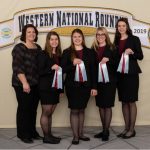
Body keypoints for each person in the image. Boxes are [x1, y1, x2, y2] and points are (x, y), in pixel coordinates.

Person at [61, 28, 97, 145]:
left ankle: (81, 134)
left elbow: (93, 71)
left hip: (85, 87)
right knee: (74, 110)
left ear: (83, 38)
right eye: (75, 37)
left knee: (82, 109)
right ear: (72, 38)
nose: (77, 39)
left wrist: (94, 87)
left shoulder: (90, 52)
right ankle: (75, 136)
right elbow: (62, 69)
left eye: (79, 37)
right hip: (72, 87)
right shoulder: (67, 52)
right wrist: (72, 64)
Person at [12, 24, 42, 143]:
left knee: (33, 109)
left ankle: (32, 132)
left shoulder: (38, 47)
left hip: (35, 83)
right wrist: (25, 83)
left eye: (33, 32)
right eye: (29, 32)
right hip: (21, 84)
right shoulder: (19, 47)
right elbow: (17, 67)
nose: (31, 34)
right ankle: (23, 134)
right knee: (24, 108)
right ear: (24, 34)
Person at [114, 18, 143, 138]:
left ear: (127, 27)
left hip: (131, 75)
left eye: (123, 26)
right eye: (119, 26)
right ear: (117, 28)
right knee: (124, 102)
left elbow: (140, 56)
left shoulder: (134, 39)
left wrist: (132, 53)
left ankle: (132, 129)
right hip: (120, 75)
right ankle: (126, 128)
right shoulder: (116, 40)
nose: (121, 28)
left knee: (131, 101)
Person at [91, 27, 116, 141]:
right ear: (96, 36)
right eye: (98, 34)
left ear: (106, 36)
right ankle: (103, 129)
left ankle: (106, 131)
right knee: (101, 106)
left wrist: (109, 60)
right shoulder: (93, 49)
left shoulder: (112, 48)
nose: (100, 36)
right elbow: (92, 67)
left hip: (109, 81)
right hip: (98, 82)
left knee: (107, 106)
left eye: (102, 34)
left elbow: (117, 65)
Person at [38, 31, 63, 144]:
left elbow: (61, 74)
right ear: (48, 41)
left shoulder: (59, 55)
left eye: (56, 39)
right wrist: (51, 68)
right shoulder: (43, 54)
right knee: (46, 112)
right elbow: (39, 71)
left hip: (55, 88)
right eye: (51, 39)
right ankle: (46, 137)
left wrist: (61, 89)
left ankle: (49, 134)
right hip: (45, 88)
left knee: (50, 112)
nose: (54, 41)